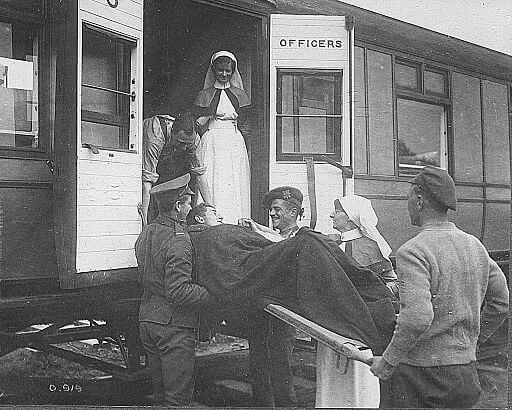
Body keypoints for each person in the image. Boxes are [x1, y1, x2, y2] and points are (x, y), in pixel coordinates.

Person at [370, 166, 509, 408]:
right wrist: (473, 341)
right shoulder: (475, 245)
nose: (408, 206)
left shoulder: (413, 251)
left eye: (409, 199)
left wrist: (388, 361)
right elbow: (501, 302)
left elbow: (417, 317)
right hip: (465, 373)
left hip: (421, 378)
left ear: (420, 201)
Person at [135, 174, 215, 406]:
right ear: (178, 206)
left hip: (148, 321)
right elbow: (178, 291)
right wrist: (211, 295)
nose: (190, 207)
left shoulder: (147, 233)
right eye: (189, 202)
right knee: (177, 401)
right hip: (174, 327)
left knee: (160, 397)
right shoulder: (179, 239)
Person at [194, 50, 251, 224]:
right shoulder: (205, 94)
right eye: (220, 70)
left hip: (233, 142)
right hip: (212, 141)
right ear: (214, 71)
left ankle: (235, 221)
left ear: (233, 71)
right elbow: (197, 125)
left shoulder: (239, 94)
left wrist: (242, 140)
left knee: (234, 180)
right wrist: (208, 116)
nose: (224, 74)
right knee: (212, 180)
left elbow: (246, 123)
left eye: (228, 71)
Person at [329, 195, 398, 296]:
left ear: (350, 217)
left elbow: (394, 283)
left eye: (337, 211)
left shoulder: (371, 248)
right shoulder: (332, 243)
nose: (331, 215)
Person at [139, 114, 174, 226]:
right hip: (145, 166)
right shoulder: (155, 137)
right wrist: (143, 220)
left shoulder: (191, 135)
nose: (184, 147)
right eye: (181, 143)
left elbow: (199, 171)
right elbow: (147, 181)